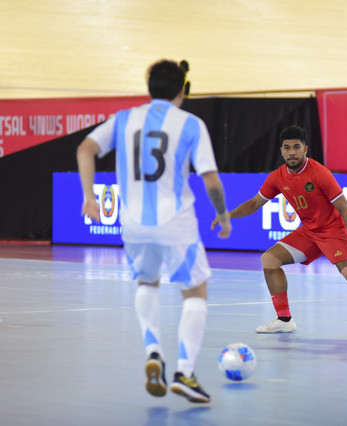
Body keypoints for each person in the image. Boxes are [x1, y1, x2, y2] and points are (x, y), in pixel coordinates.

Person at [76, 59, 231, 403]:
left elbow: (85, 149)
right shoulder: (191, 124)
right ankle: (185, 373)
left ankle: (153, 353)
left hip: (133, 224)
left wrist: (90, 197)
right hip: (176, 222)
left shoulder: (124, 118)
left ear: (149, 89)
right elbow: (211, 179)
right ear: (182, 90)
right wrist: (223, 216)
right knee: (194, 294)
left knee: (147, 283)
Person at [210, 125, 347, 335]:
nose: (292, 152)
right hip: (308, 233)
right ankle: (284, 319)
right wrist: (228, 214)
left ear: (306, 149)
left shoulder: (319, 173)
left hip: (333, 231)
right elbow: (254, 203)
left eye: (297, 147)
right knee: (269, 260)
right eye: (287, 148)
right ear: (281, 151)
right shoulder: (277, 177)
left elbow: (345, 208)